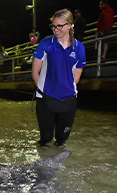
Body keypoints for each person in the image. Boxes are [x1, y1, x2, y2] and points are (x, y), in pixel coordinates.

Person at [31, 9, 86, 147]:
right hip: (46, 99)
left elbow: (77, 73)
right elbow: (35, 72)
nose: (56, 29)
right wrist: (45, 90)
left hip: (68, 100)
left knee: (62, 140)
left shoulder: (79, 48)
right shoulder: (45, 44)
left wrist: (65, 88)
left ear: (70, 25)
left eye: (60, 26)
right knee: (45, 139)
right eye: (54, 26)